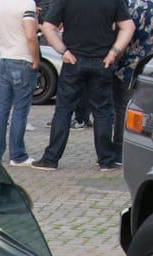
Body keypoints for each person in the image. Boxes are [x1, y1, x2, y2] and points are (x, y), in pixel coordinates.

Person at [32, 0, 132, 172]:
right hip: (102, 61)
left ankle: (51, 159)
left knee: (64, 110)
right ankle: (106, 160)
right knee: (102, 112)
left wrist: (63, 51)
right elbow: (128, 27)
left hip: (73, 60)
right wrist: (113, 52)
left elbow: (48, 26)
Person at [110, 0, 153, 164]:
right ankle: (144, 148)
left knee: (122, 109)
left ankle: (120, 150)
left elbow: (124, 35)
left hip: (127, 65)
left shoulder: (131, 6)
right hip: (151, 64)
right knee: (146, 110)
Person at [0, 0, 38, 166]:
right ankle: (17, 154)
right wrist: (36, 60)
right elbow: (30, 36)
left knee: (2, 108)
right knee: (20, 109)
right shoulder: (27, 4)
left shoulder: (1, 4)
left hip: (5, 56)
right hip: (22, 57)